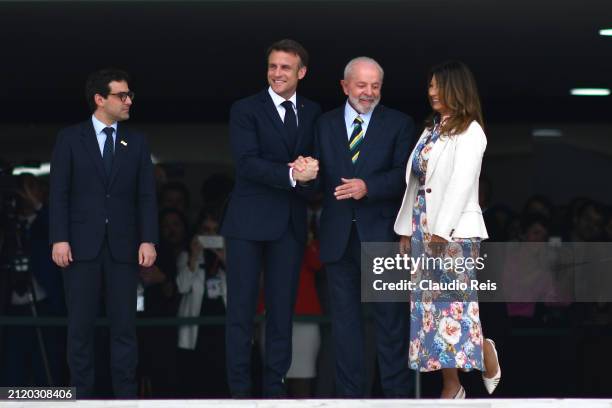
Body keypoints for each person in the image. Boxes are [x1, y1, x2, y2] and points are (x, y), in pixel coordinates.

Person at [307, 57, 415, 397]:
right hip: (338, 238)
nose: (368, 93)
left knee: (391, 326)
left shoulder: (399, 123)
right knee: (345, 329)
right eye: (361, 85)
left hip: (383, 238)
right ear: (344, 86)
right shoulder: (323, 124)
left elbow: (406, 176)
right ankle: (350, 400)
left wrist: (369, 186)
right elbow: (316, 183)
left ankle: (398, 400)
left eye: (375, 86)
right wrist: (304, 173)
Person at [220, 39, 321, 397]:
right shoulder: (245, 109)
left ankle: (274, 390)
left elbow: (313, 174)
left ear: (301, 73)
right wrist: (293, 175)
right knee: (241, 314)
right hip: (247, 222)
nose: (277, 73)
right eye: (272, 66)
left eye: (285, 68)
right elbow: (246, 163)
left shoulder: (313, 112)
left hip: (289, 224)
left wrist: (311, 174)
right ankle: (239, 393)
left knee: (281, 314)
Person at [394, 60, 500, 398]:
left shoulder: (472, 131)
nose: (433, 93)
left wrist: (440, 232)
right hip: (422, 227)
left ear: (459, 89)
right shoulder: (430, 130)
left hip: (454, 233)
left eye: (440, 86)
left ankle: (483, 350)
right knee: (429, 312)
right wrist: (406, 230)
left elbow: (460, 184)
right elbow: (415, 182)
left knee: (454, 305)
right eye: (430, 87)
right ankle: (451, 386)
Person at [49, 68, 158, 398]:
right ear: (100, 99)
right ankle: (80, 396)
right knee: (79, 329)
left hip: (124, 248)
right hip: (80, 247)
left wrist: (149, 238)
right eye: (121, 95)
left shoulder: (135, 141)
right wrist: (59, 237)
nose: (128, 101)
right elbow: (59, 192)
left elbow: (146, 195)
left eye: (129, 95)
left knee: (124, 328)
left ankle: (125, 397)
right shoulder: (70, 138)